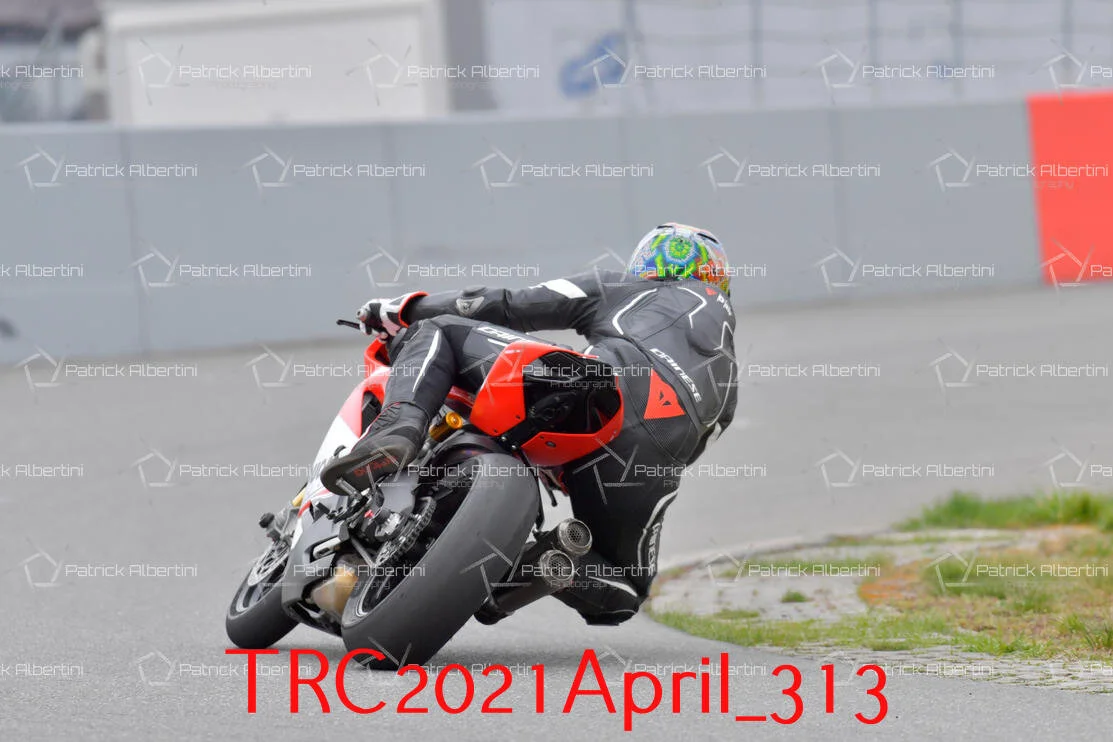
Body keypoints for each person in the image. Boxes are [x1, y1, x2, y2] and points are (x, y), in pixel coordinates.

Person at [323, 223, 738, 626]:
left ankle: (397, 430)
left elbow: (503, 303)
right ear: (717, 278)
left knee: (440, 331)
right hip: (652, 463)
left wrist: (401, 310)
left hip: (595, 390)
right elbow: (692, 446)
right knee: (627, 586)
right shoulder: (730, 378)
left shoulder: (630, 287)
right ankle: (537, 568)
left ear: (648, 263)